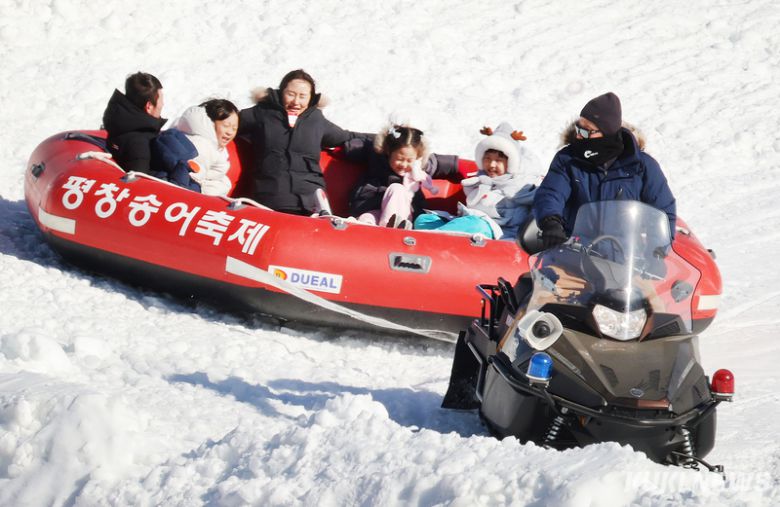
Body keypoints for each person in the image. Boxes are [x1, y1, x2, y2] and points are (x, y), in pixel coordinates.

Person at [533, 92, 677, 249]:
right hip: (575, 253)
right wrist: (551, 222)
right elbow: (551, 193)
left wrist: (657, 250)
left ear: (607, 132)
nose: (579, 136)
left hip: (627, 260)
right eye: (578, 128)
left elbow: (663, 212)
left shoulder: (641, 166)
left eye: (587, 130)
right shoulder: (568, 160)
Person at [238, 69, 368, 215]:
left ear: (311, 98)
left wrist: (389, 141)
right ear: (281, 92)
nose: (296, 102)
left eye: (302, 96)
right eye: (291, 94)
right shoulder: (262, 113)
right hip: (271, 195)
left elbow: (347, 137)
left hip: (310, 200)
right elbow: (229, 121)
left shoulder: (316, 120)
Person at [413, 122, 539, 240]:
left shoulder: (520, 186)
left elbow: (541, 198)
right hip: (470, 222)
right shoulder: (480, 180)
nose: (492, 164)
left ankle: (424, 240)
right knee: (424, 220)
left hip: (499, 233)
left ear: (510, 162)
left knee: (475, 225)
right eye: (488, 158)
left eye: (499, 160)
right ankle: (421, 235)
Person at [344, 122, 461, 228]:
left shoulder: (420, 167)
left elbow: (448, 164)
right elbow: (349, 144)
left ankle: (391, 228)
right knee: (367, 218)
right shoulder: (377, 158)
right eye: (399, 159)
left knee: (397, 188)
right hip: (374, 207)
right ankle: (364, 231)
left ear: (417, 158)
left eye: (409, 160)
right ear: (389, 152)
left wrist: (468, 170)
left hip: (404, 214)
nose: (404, 164)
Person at [152, 99, 239, 195]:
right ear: (211, 123)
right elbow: (185, 184)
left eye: (234, 128)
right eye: (226, 125)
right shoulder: (202, 146)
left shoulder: (191, 133)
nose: (230, 132)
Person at [102, 72, 166, 173]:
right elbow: (139, 182)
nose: (163, 104)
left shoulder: (119, 123)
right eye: (161, 100)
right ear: (149, 106)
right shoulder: (139, 144)